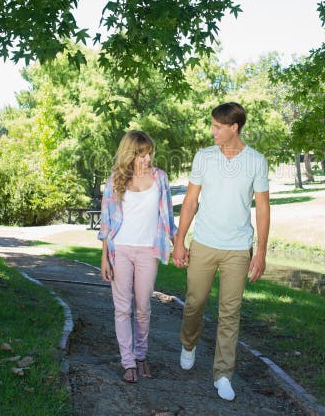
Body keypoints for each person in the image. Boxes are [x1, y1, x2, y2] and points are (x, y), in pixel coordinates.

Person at [172, 102, 270, 401]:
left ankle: (223, 374)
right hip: (203, 243)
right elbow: (190, 202)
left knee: (230, 312)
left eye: (217, 126)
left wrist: (261, 252)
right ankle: (189, 343)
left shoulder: (256, 160)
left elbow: (263, 208)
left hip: (238, 248)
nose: (212, 131)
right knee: (194, 303)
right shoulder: (203, 157)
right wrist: (180, 240)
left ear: (234, 128)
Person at [98, 130, 177, 383]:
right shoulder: (115, 180)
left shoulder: (160, 178)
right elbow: (106, 222)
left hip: (148, 250)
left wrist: (180, 245)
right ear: (130, 154)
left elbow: (167, 218)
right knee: (122, 308)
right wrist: (104, 258)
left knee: (143, 308)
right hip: (120, 249)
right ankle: (128, 362)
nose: (148, 159)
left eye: (150, 154)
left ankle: (141, 355)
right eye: (142, 155)